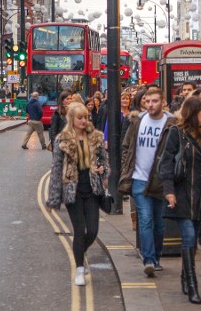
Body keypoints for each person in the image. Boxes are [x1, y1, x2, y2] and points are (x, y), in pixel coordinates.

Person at [160, 96, 201, 305]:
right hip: (182, 195)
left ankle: (184, 276)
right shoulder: (176, 134)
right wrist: (169, 191)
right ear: (193, 113)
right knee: (188, 236)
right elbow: (166, 164)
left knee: (193, 240)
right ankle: (193, 285)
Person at [46, 103, 109, 287]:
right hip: (72, 192)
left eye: (86, 117)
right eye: (80, 118)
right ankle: (79, 269)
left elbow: (104, 161)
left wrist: (102, 170)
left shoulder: (96, 138)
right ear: (71, 119)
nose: (84, 121)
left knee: (93, 230)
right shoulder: (62, 140)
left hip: (92, 190)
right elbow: (56, 170)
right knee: (79, 231)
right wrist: (54, 198)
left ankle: (79, 252)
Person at [119, 87, 175, 277]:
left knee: (159, 223)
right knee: (145, 219)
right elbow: (126, 145)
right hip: (139, 179)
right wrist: (127, 167)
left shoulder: (171, 123)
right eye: (147, 101)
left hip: (161, 181)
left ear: (163, 102)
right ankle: (149, 259)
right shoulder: (138, 120)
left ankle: (156, 256)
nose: (150, 104)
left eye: (154, 101)